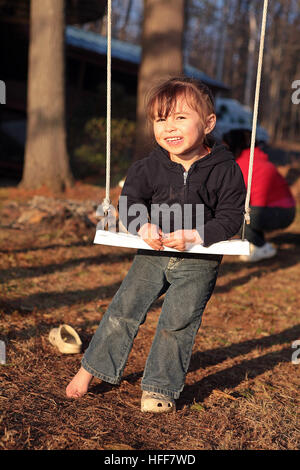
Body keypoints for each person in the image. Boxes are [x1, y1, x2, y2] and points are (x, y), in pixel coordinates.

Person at [66, 77, 246, 412]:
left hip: (199, 260)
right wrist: (142, 224)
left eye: (180, 117)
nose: (169, 127)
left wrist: (195, 235)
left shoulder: (225, 170)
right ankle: (91, 370)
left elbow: (231, 217)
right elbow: (130, 202)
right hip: (153, 252)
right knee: (123, 311)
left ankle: (160, 388)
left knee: (177, 323)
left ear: (208, 123)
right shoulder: (149, 166)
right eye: (161, 119)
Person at [223, 129, 296, 262]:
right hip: (280, 209)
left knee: (233, 217)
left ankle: (262, 247)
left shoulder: (247, 164)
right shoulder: (254, 158)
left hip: (277, 211)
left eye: (225, 145)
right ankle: (257, 244)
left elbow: (240, 201)